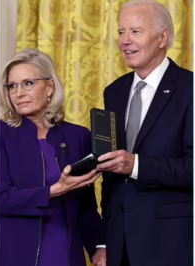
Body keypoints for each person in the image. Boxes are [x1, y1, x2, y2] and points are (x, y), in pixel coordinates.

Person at [95, 1, 193, 266]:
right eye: (120, 32)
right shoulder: (113, 91)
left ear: (162, 37)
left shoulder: (189, 89)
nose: (125, 41)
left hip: (171, 243)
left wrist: (135, 164)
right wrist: (104, 240)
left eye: (135, 32)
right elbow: (110, 173)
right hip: (119, 244)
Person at [0, 48, 106, 266]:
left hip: (64, 250)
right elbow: (0, 199)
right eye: (12, 86)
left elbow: (86, 205)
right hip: (14, 251)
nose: (19, 93)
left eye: (28, 83)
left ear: (50, 87)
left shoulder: (78, 136)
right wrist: (54, 191)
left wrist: (98, 246)